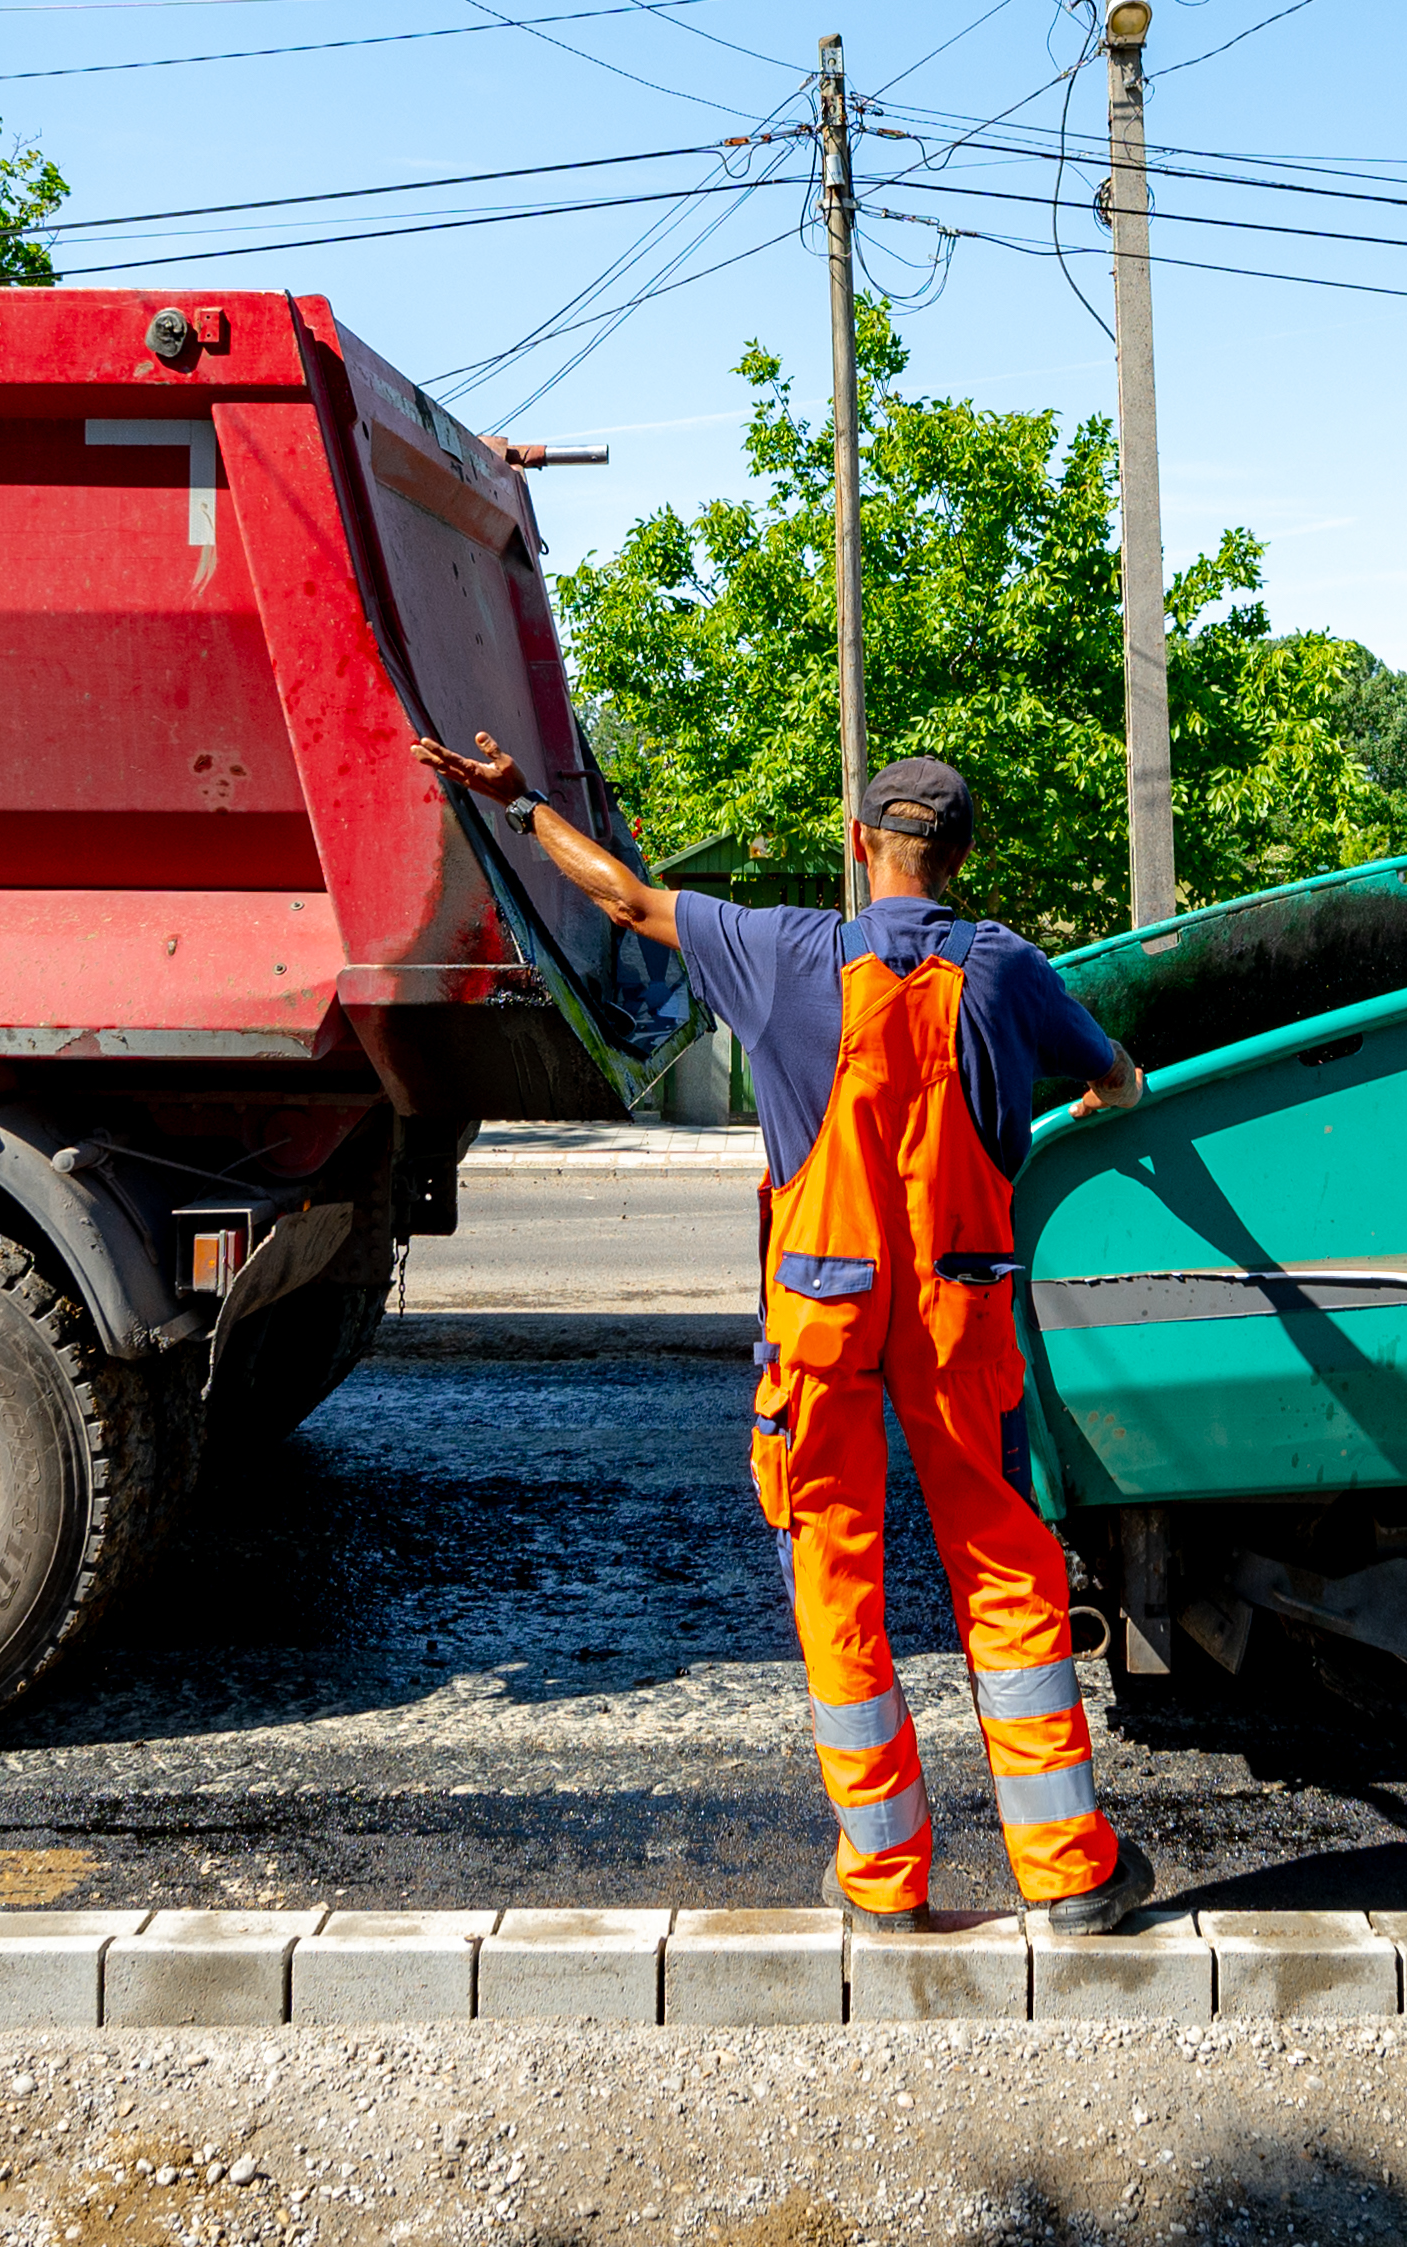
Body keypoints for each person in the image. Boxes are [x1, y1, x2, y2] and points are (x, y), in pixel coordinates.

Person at [400, 728, 1161, 1932]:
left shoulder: (779, 949)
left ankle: (882, 1880)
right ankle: (1068, 1874)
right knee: (1003, 1559)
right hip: (958, 1309)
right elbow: (1118, 1080)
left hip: (821, 1308)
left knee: (834, 1570)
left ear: (860, 848)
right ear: (959, 859)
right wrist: (1093, 1091)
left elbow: (626, 899)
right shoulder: (1008, 970)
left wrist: (519, 803)